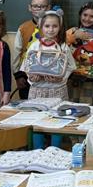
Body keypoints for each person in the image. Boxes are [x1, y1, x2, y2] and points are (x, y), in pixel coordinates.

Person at [23, 10, 75, 148]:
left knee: (57, 121)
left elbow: (71, 66)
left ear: (60, 27)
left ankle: (54, 150)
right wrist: (32, 78)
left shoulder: (63, 47)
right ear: (41, 27)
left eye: (54, 26)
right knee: (36, 121)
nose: (51, 29)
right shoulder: (35, 46)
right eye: (47, 26)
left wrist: (61, 78)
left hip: (57, 90)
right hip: (37, 91)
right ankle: (37, 150)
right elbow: (27, 66)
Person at [66, 2, 93, 105]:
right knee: (69, 108)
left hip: (92, 81)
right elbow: (59, 47)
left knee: (89, 108)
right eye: (85, 15)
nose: (87, 19)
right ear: (80, 15)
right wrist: (74, 36)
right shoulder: (72, 31)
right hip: (72, 79)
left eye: (92, 16)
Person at [12, 0, 50, 100]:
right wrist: (18, 76)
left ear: (48, 8)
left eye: (43, 6)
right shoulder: (23, 28)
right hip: (26, 76)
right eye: (35, 6)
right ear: (30, 7)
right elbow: (17, 53)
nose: (39, 9)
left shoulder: (54, 28)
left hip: (48, 77)